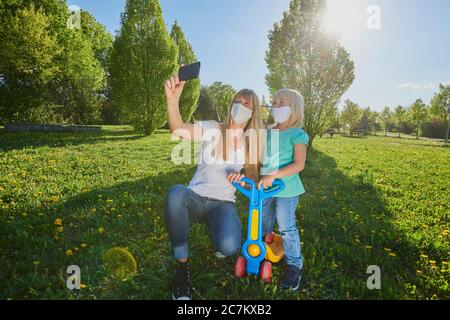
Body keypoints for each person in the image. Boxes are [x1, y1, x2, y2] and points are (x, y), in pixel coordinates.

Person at [164, 73, 264, 300]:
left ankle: (213, 223)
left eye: (246, 103)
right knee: (175, 194)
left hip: (224, 203)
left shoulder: (253, 143)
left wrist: (242, 180)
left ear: (254, 111)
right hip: (195, 197)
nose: (240, 105)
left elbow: (253, 182)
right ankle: (182, 268)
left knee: (228, 247)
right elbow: (178, 128)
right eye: (237, 101)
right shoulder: (213, 128)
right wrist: (172, 99)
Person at [258, 88, 309, 291]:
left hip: (287, 190)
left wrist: (273, 175)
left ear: (294, 109)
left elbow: (299, 164)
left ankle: (295, 264)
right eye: (275, 103)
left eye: (282, 103)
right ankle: (264, 252)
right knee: (264, 222)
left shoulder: (297, 134)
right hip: (265, 188)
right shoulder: (268, 133)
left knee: (286, 227)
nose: (277, 106)